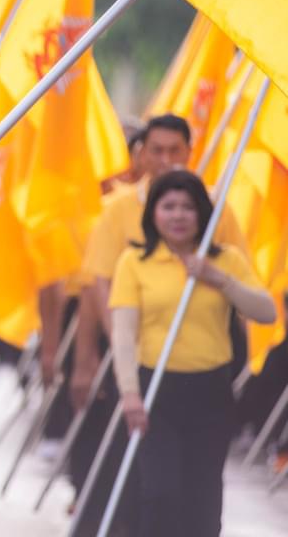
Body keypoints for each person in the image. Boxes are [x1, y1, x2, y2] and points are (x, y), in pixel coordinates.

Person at [67, 114, 247, 535]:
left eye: (175, 151)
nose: (166, 159)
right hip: (142, 366)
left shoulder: (218, 210)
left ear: (190, 152)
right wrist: (99, 353)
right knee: (145, 481)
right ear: (141, 154)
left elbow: (243, 284)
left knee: (202, 488)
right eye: (157, 150)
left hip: (206, 370)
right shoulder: (117, 211)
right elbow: (98, 283)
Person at [109, 169, 276, 536]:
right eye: (168, 206)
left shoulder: (226, 259)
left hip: (210, 391)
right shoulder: (134, 262)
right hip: (155, 391)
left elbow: (267, 312)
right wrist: (130, 394)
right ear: (153, 212)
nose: (178, 215)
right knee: (159, 493)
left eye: (187, 206)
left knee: (203, 497)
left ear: (202, 212)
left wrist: (217, 278)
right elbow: (123, 335)